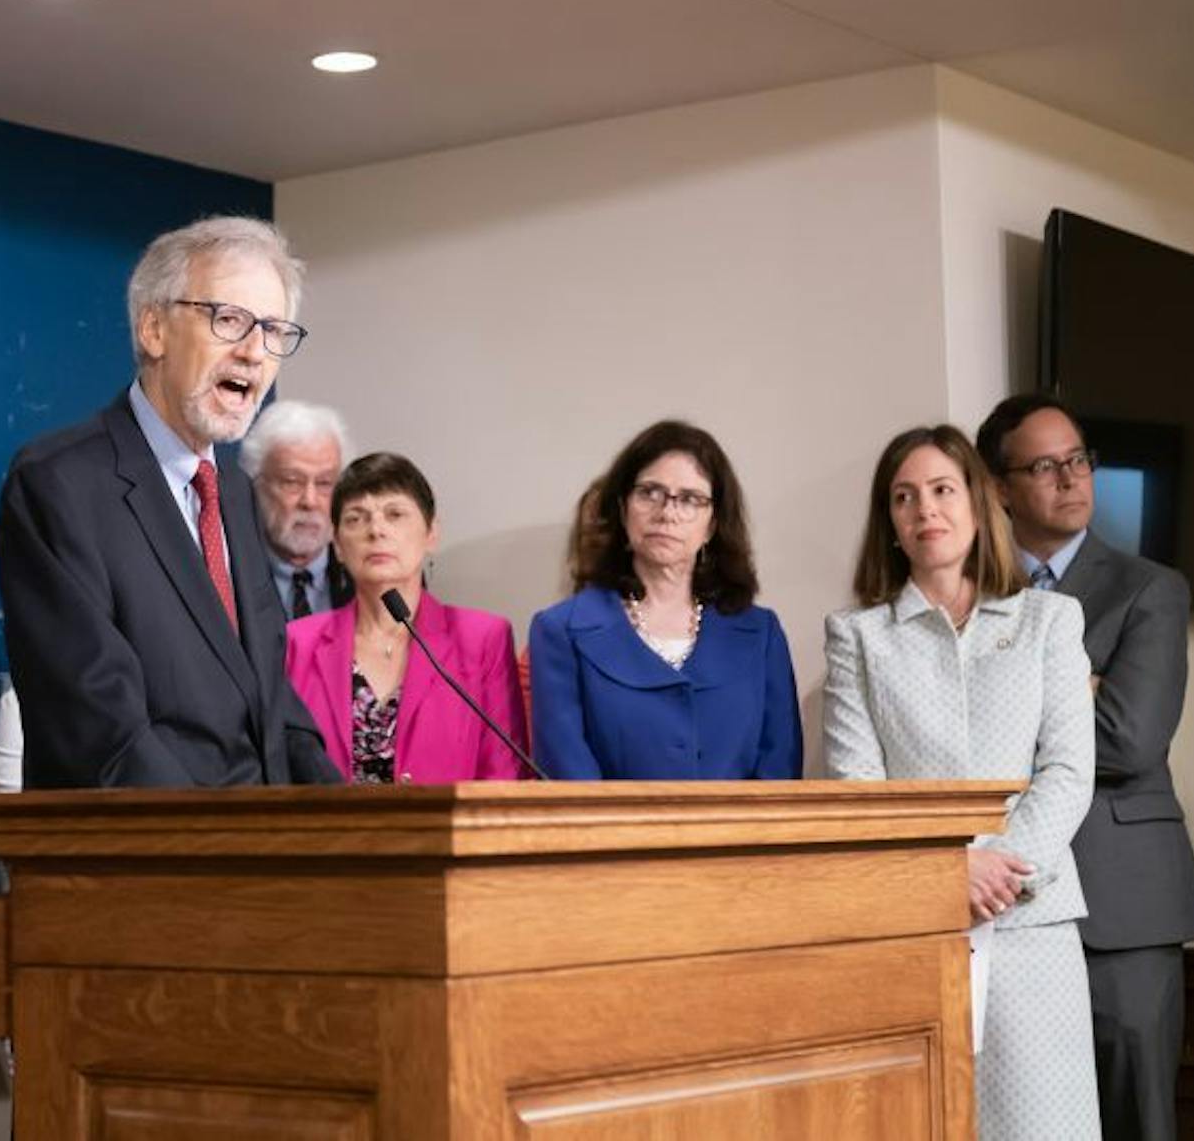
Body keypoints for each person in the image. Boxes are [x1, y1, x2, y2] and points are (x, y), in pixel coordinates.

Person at [0, 215, 341, 788]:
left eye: (275, 330)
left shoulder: (233, 493)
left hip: (263, 856)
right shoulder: (59, 483)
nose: (256, 352)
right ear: (154, 328)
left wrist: (354, 828)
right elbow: (99, 729)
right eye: (230, 320)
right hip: (153, 858)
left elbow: (270, 703)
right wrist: (223, 851)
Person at [824, 424, 1099, 1140]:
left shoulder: (1049, 619)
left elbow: (1069, 772)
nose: (926, 511)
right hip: (912, 930)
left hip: (1031, 924)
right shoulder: (858, 636)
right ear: (889, 522)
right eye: (904, 497)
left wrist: (996, 874)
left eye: (943, 491)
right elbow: (861, 791)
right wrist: (948, 874)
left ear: (978, 505)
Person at [977, 395, 1194, 1141]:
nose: (1072, 479)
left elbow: (1129, 736)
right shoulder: (973, 595)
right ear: (1000, 485)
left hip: (1123, 904)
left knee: (1135, 1118)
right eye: (1044, 466)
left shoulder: (1151, 588)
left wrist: (1013, 710)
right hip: (1006, 899)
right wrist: (1068, 693)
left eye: (1079, 460)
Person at [528, 421, 801, 780]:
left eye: (689, 499)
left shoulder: (761, 632)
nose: (667, 513)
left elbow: (779, 768)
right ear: (623, 506)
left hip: (740, 836)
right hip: (611, 835)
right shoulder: (560, 631)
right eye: (649, 492)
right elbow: (567, 773)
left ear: (713, 524)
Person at [284, 453, 528, 782]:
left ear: (431, 533)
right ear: (338, 546)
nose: (376, 530)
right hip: (328, 832)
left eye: (395, 514)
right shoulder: (296, 643)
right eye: (356, 519)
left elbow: (503, 777)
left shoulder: (483, 639)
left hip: (448, 832)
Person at [238, 399, 353, 618]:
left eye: (325, 483)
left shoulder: (367, 574)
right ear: (256, 484)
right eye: (292, 482)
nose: (309, 501)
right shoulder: (229, 574)